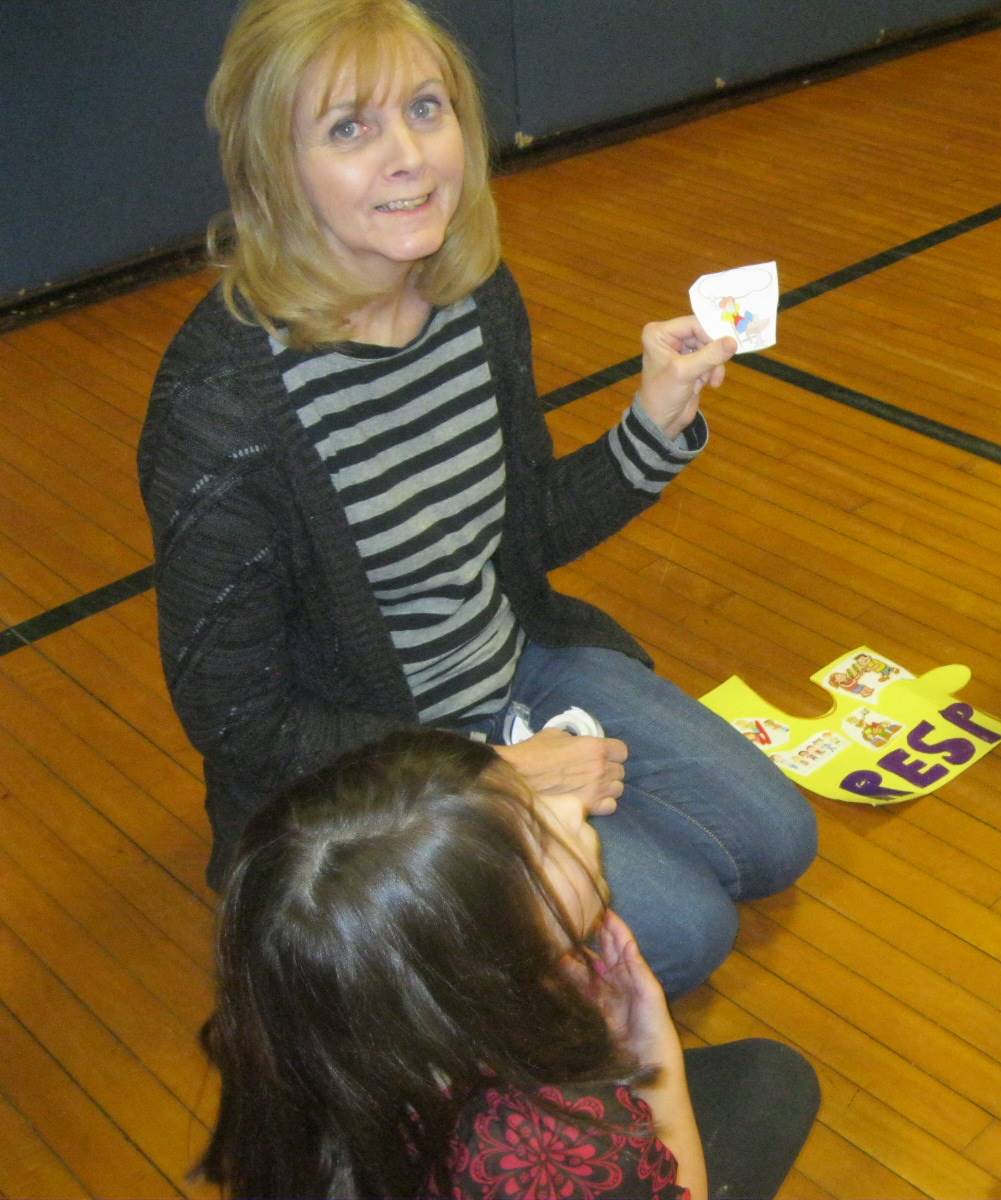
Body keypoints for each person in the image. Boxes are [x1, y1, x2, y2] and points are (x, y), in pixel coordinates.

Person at [137, 0, 816, 997]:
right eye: (349, 128)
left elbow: (519, 529)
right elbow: (241, 722)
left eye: (426, 107)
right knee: (685, 932)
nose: (409, 155)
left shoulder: (475, 298)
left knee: (775, 839)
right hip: (374, 767)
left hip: (514, 664)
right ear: (275, 167)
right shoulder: (222, 407)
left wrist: (653, 426)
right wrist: (492, 778)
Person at [199, 729, 820, 1199]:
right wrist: (654, 1055)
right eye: (536, 836)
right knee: (773, 1080)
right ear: (485, 945)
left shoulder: (319, 1025)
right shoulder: (551, 1143)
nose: (569, 809)